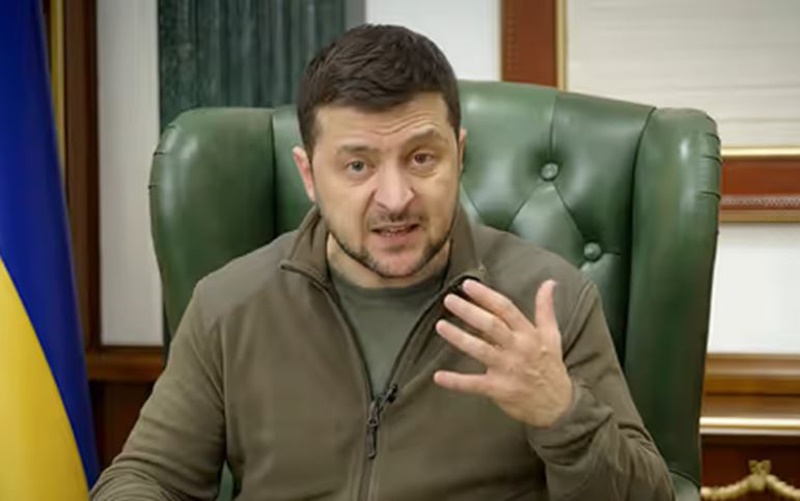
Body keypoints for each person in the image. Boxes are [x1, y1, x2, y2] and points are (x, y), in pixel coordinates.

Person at [91, 24, 674, 500]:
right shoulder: (229, 305)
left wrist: (562, 413)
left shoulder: (549, 301)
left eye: (421, 158)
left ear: (459, 156)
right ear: (308, 174)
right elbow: (145, 479)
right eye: (358, 166)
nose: (395, 198)